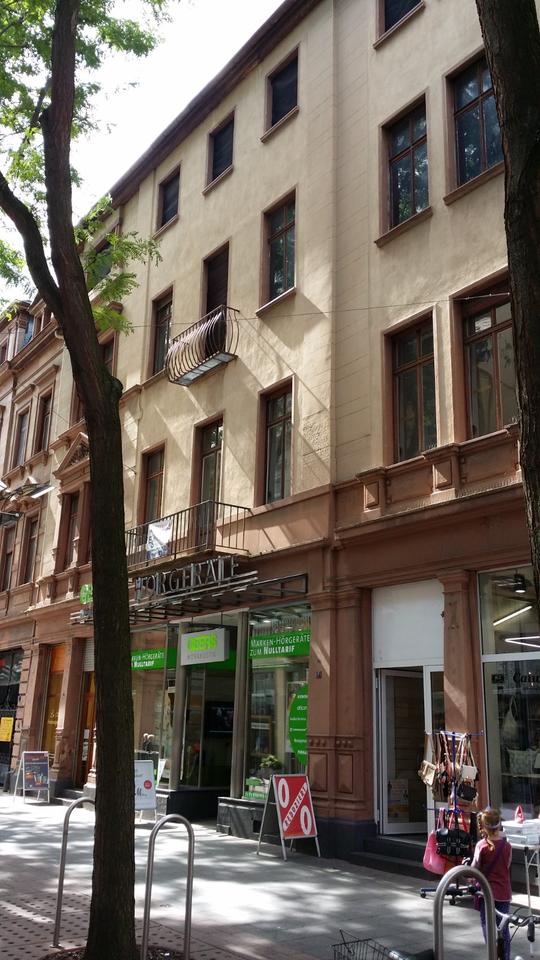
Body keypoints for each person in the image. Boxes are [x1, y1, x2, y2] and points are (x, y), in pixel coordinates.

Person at [471, 807, 512, 960]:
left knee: (486, 924)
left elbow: (475, 867)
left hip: (486, 893)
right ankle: (505, 956)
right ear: (499, 824)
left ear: (483, 826)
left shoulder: (481, 846)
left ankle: (492, 954)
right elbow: (507, 866)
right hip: (504, 892)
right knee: (504, 927)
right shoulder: (507, 846)